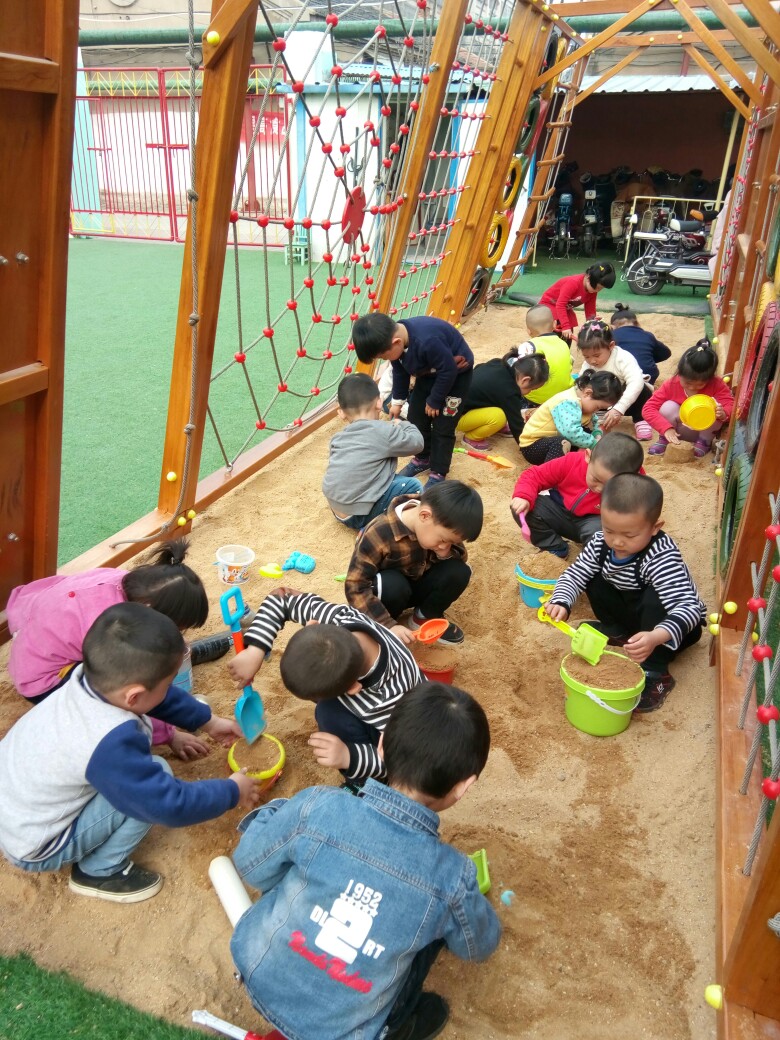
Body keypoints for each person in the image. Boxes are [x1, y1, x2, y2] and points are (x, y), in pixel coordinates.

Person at [229, 681, 500, 1040]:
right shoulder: (450, 877)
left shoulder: (318, 806)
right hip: (343, 1031)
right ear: (464, 786)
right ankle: (399, 1026)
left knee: (295, 858)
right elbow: (478, 945)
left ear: (382, 745)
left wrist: (279, 812)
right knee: (436, 927)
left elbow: (251, 866)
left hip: (259, 972)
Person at [0, 603, 261, 903]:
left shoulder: (91, 680)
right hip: (38, 843)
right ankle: (99, 870)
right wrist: (231, 791)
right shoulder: (108, 741)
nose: (169, 688)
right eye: (168, 683)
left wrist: (208, 721)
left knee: (137, 764)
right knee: (157, 773)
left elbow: (157, 698)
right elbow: (166, 804)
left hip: (15, 803)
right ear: (134, 695)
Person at [5, 539, 225, 760]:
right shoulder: (118, 630)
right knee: (129, 691)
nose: (178, 636)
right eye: (177, 628)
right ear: (149, 610)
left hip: (31, 639)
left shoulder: (125, 582)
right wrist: (170, 735)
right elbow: (139, 696)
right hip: (44, 681)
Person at [227, 588, 421, 787]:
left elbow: (406, 761)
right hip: (369, 697)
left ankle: (359, 784)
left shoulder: (390, 699)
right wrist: (255, 651)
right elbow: (281, 598)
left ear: (353, 689)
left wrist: (348, 756)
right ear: (314, 624)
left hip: (395, 736)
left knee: (329, 713)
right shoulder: (338, 618)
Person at [545, 473, 706, 712]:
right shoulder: (601, 543)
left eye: (629, 535)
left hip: (673, 628)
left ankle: (656, 670)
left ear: (655, 527)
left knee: (655, 597)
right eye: (609, 530)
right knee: (593, 575)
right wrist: (561, 600)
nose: (617, 542)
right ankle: (618, 629)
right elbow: (575, 573)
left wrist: (656, 636)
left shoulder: (661, 556)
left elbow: (688, 608)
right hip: (634, 610)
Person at [345, 480, 483, 646]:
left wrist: (446, 554)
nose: (445, 546)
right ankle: (384, 628)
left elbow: (458, 559)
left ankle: (424, 616)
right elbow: (355, 584)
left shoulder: (442, 522)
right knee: (393, 584)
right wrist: (388, 624)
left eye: (451, 542)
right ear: (424, 516)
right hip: (389, 594)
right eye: (443, 540)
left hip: (418, 584)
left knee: (460, 570)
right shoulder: (379, 532)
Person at [351, 312, 474, 486]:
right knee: (416, 417)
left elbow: (448, 371)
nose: (385, 360)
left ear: (396, 343)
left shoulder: (427, 341)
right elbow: (400, 372)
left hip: (455, 374)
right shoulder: (395, 342)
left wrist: (434, 400)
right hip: (429, 373)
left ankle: (438, 471)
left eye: (383, 357)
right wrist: (397, 402)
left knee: (443, 426)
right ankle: (423, 458)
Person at [511, 431, 644, 558]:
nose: (599, 489)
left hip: (595, 523)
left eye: (610, 485)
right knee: (522, 508)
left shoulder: (634, 486)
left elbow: (642, 515)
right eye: (596, 479)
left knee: (602, 535)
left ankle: (590, 558)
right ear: (588, 456)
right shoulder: (572, 462)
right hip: (560, 511)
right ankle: (555, 546)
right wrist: (523, 496)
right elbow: (535, 475)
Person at [322, 373, 425, 530]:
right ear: (379, 403)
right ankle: (376, 526)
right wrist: (403, 425)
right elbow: (417, 443)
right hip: (359, 515)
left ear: (341, 413)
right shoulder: (383, 431)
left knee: (376, 470)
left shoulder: (338, 438)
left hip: (337, 509)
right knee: (413, 485)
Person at [644, 338, 734, 457]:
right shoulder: (671, 384)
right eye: (688, 383)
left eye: (700, 384)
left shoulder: (716, 384)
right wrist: (666, 428)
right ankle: (665, 439)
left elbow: (731, 405)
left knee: (715, 408)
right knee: (668, 407)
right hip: (677, 429)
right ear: (679, 373)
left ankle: (703, 443)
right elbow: (648, 408)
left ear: (710, 379)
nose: (692, 387)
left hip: (703, 429)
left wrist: (724, 413)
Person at [517, 369, 624, 465]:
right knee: (560, 443)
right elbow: (572, 433)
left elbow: (593, 421)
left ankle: (575, 461)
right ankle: (550, 476)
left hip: (552, 438)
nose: (596, 411)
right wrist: (593, 444)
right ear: (588, 393)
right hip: (532, 446)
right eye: (597, 407)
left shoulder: (584, 401)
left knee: (585, 431)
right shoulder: (568, 402)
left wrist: (596, 433)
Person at [576, 319, 653, 440]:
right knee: (589, 387)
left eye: (596, 355)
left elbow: (635, 383)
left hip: (630, 402)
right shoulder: (588, 364)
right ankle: (600, 415)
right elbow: (581, 385)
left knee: (641, 387)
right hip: (605, 403)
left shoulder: (623, 358)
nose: (592, 361)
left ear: (611, 346)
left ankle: (641, 420)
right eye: (586, 356)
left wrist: (619, 409)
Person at [456, 354, 549, 450]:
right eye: (532, 389)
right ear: (525, 380)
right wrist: (528, 447)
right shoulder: (509, 392)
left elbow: (479, 368)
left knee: (500, 401)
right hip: (455, 417)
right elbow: (517, 424)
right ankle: (471, 438)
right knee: (499, 417)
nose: (530, 392)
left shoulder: (499, 363)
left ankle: (494, 425)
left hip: (455, 403)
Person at [538, 262, 616, 341]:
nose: (598, 290)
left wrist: (592, 322)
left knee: (568, 332)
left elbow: (590, 309)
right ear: (588, 278)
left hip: (565, 307)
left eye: (601, 288)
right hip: (549, 305)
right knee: (561, 327)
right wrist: (565, 326)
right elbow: (560, 304)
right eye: (598, 287)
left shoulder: (592, 290)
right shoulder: (573, 283)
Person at [522, 304, 576, 406]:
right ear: (555, 324)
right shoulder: (563, 344)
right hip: (563, 396)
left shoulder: (528, 346)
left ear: (528, 331)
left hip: (536, 400)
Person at [610, 302, 671, 389]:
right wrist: (647, 358)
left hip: (624, 377)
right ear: (637, 323)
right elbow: (666, 353)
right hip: (649, 375)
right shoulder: (647, 335)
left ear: (612, 327)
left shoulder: (612, 336)